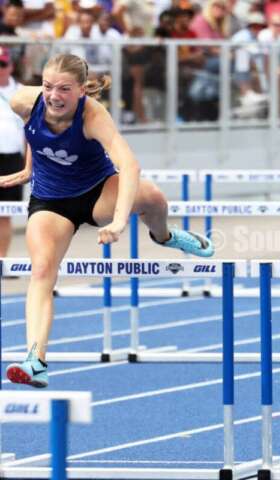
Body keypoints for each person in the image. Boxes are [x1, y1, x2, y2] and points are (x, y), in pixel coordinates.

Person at [4, 53, 215, 388]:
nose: (53, 96)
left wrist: (118, 222)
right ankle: (36, 360)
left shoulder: (92, 115)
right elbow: (33, 131)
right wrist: (30, 169)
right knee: (42, 270)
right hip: (51, 200)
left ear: (81, 91)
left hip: (97, 191)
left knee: (155, 198)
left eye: (63, 89)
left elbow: (130, 166)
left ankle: (163, 236)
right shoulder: (22, 101)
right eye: (47, 87)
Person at [0, 46, 25, 258]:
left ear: (11, 66)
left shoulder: (22, 92)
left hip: (12, 159)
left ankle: (2, 260)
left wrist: (30, 165)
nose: (0, 69)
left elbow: (31, 130)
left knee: (5, 213)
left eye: (3, 65)